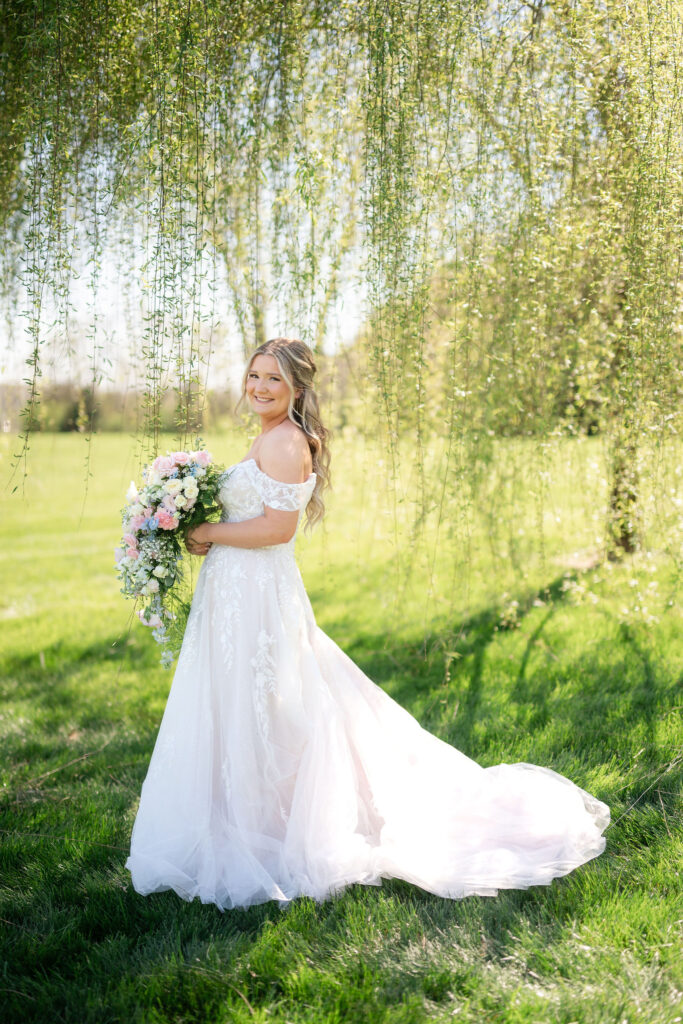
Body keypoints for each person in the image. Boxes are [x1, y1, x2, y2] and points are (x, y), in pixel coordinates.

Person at [125, 337, 609, 910]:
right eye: (254, 375)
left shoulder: (286, 442)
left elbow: (278, 529)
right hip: (237, 591)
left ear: (297, 389)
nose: (259, 387)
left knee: (275, 702)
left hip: (257, 593)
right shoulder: (268, 436)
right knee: (246, 701)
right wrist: (203, 528)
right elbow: (255, 516)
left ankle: (283, 823)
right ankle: (245, 814)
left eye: (274, 379)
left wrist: (208, 532)